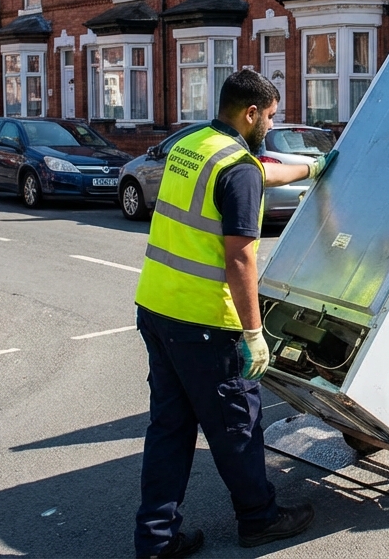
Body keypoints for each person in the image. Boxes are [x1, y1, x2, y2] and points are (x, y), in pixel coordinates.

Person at [132, 70, 336, 558]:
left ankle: (156, 540)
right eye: (269, 115)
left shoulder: (194, 145)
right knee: (237, 426)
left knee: (169, 429)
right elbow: (241, 258)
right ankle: (259, 519)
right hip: (205, 324)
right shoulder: (237, 168)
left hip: (158, 308)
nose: (272, 122)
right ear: (250, 113)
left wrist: (312, 169)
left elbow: (262, 169)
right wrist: (253, 332)